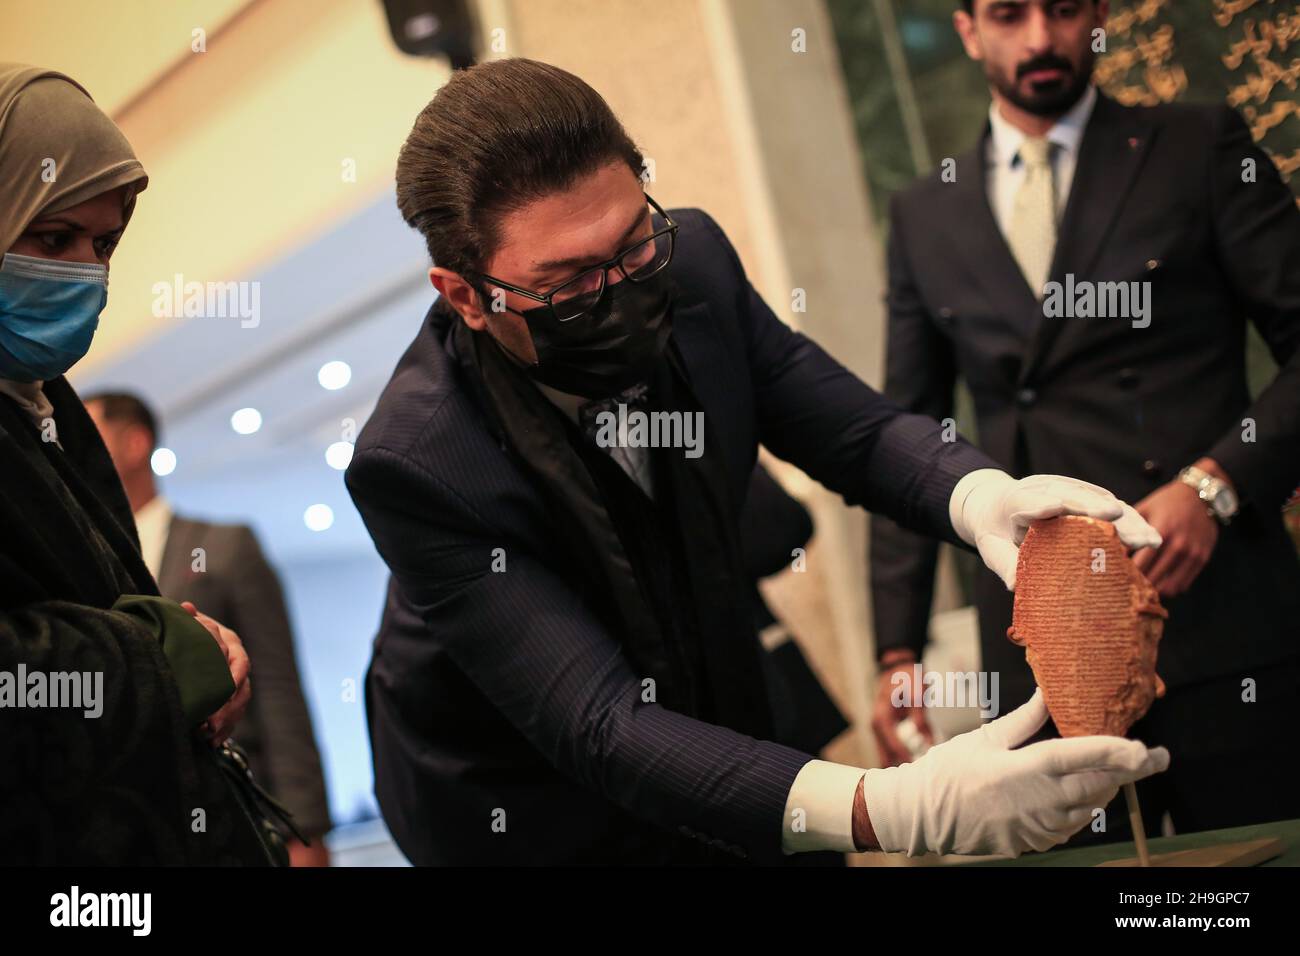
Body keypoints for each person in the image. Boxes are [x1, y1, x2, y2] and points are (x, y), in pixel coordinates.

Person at [346, 57, 1168, 866]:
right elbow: (597, 725)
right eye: (567, 286)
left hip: (710, 707)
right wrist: (889, 806)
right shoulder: (417, 463)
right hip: (523, 805)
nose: (620, 294)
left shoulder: (694, 258)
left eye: (633, 248)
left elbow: (857, 432)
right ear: (465, 297)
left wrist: (983, 497)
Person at [869, 0, 1300, 839]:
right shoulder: (925, 212)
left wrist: (1215, 483)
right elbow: (906, 435)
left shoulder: (1197, 145)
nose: (1039, 38)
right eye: (1007, 14)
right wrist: (896, 649)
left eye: (1064, 10)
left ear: (1098, 16)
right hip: (1041, 653)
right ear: (966, 28)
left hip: (1222, 626)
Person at [0, 62, 269, 865]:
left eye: (104, 243)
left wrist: (189, 650)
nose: (86, 269)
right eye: (53, 238)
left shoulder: (50, 407)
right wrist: (154, 659)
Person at [85, 391, 334, 866]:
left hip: (240, 810)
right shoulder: (87, 566)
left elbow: (280, 690)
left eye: (92, 437)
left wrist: (306, 829)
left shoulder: (225, 547)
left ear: (135, 444)